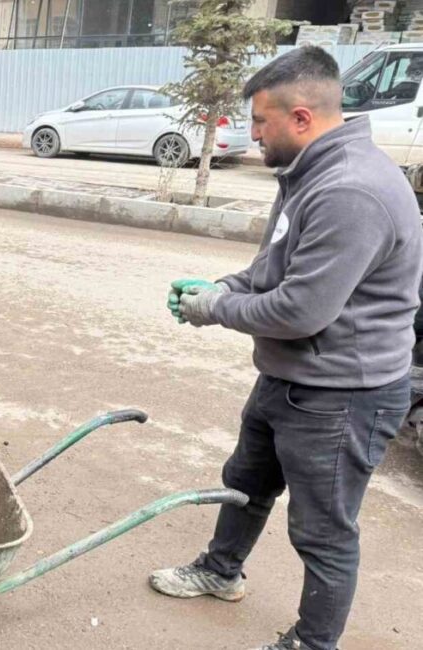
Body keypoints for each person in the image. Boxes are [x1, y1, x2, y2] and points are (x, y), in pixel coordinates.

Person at [153, 47, 423, 650]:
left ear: (301, 118)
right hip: (290, 377)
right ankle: (220, 572)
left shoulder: (350, 191)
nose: (251, 136)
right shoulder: (308, 175)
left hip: (342, 394)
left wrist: (213, 309)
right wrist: (224, 286)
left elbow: (301, 310)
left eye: (259, 122)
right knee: (245, 482)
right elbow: (275, 271)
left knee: (324, 532)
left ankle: (312, 642)